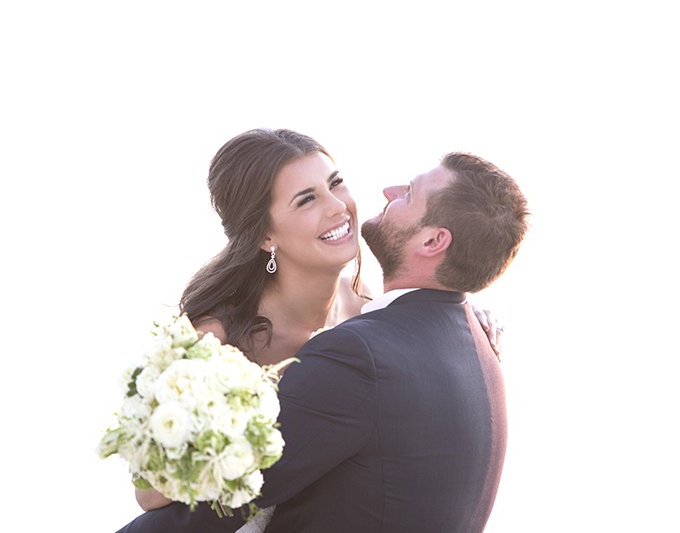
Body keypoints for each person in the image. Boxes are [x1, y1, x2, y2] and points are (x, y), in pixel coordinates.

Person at [116, 129, 507, 530]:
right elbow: (151, 494)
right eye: (307, 199)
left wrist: (459, 310)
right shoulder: (217, 341)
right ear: (266, 236)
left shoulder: (363, 310)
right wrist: (250, 433)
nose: (338, 207)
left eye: (335, 183)